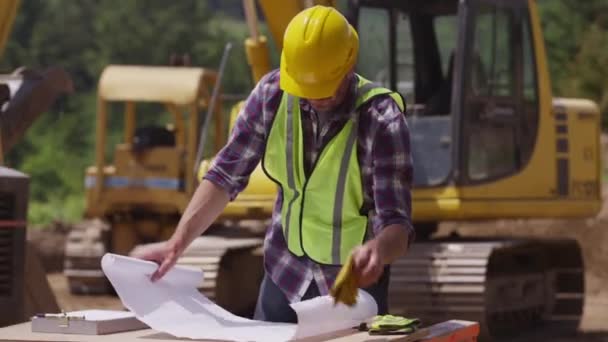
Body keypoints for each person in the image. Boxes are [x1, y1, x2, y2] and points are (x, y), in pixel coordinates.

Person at [131, 5, 415, 323]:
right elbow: (225, 174)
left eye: (325, 87)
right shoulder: (272, 95)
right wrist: (176, 243)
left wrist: (378, 250)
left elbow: (397, 224)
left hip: (352, 289)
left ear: (349, 64)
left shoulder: (381, 118)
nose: (315, 98)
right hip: (285, 275)